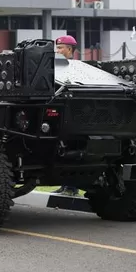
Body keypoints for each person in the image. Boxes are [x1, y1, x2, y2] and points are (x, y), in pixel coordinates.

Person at [53, 35, 79, 195]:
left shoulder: (77, 67)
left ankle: (71, 188)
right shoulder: (57, 67)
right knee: (62, 152)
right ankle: (65, 186)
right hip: (61, 116)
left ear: (70, 49)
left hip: (74, 118)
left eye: (61, 47)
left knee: (73, 152)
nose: (58, 50)